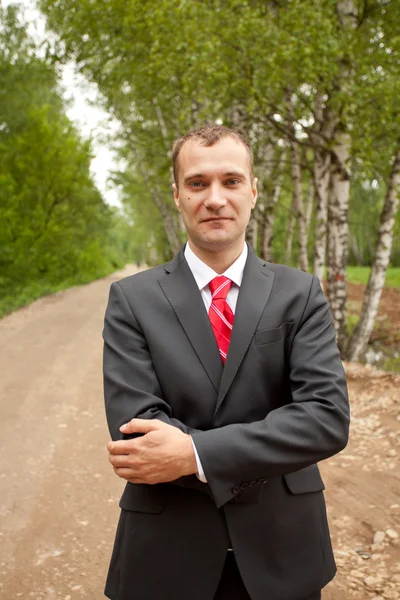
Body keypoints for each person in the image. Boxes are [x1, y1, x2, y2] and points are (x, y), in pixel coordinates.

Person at [102, 125, 350, 600]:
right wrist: (265, 443)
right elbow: (138, 434)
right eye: (198, 183)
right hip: (168, 551)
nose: (215, 198)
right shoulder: (131, 300)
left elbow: (325, 419)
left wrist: (194, 454)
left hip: (283, 546)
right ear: (177, 195)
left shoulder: (301, 294)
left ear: (253, 192)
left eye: (231, 181)